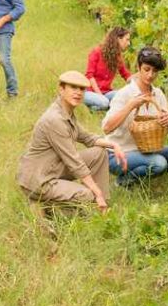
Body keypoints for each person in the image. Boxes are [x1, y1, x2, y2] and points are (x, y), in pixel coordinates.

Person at [17, 70, 128, 214]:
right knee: (87, 195)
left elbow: (87, 138)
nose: (78, 92)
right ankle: (45, 208)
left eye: (82, 89)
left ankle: (102, 206)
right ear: (61, 89)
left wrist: (114, 145)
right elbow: (74, 162)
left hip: (53, 168)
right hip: (39, 179)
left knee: (99, 152)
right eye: (73, 87)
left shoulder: (67, 112)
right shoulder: (55, 120)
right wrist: (96, 191)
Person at [102, 45, 168, 185]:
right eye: (146, 69)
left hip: (148, 150)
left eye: (155, 71)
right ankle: (123, 180)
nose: (150, 75)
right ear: (138, 68)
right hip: (117, 154)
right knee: (159, 163)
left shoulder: (158, 94)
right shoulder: (125, 94)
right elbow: (107, 128)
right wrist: (131, 105)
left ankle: (136, 175)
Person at [83, 26, 132, 111]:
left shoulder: (118, 57)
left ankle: (102, 106)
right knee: (104, 102)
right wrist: (99, 95)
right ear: (118, 39)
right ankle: (92, 108)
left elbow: (126, 75)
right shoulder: (97, 52)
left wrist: (141, 78)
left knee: (123, 97)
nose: (129, 43)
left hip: (106, 93)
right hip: (89, 92)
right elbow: (89, 76)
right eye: (127, 40)